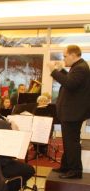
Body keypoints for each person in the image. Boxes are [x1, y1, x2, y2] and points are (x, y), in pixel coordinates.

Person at [50, 44, 90, 179]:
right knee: (68, 141)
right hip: (71, 113)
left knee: (71, 142)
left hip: (73, 113)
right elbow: (71, 80)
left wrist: (54, 72)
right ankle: (66, 166)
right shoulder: (79, 67)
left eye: (65, 56)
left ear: (73, 55)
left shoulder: (81, 68)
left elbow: (70, 84)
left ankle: (75, 170)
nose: (64, 58)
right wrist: (61, 70)